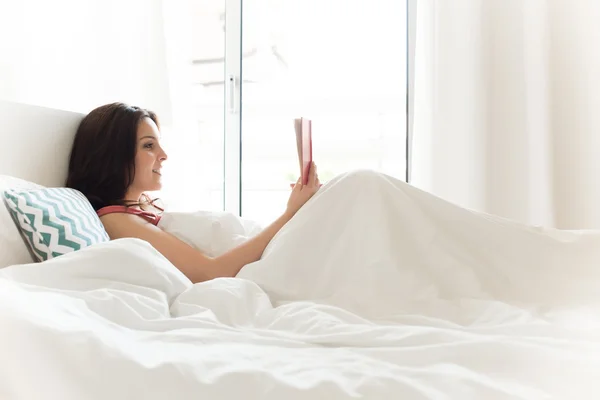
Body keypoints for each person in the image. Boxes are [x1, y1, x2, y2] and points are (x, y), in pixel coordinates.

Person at [66, 102, 321, 283]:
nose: (163, 155)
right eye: (148, 145)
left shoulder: (144, 207)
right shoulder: (118, 220)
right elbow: (210, 272)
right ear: (114, 156)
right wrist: (290, 212)